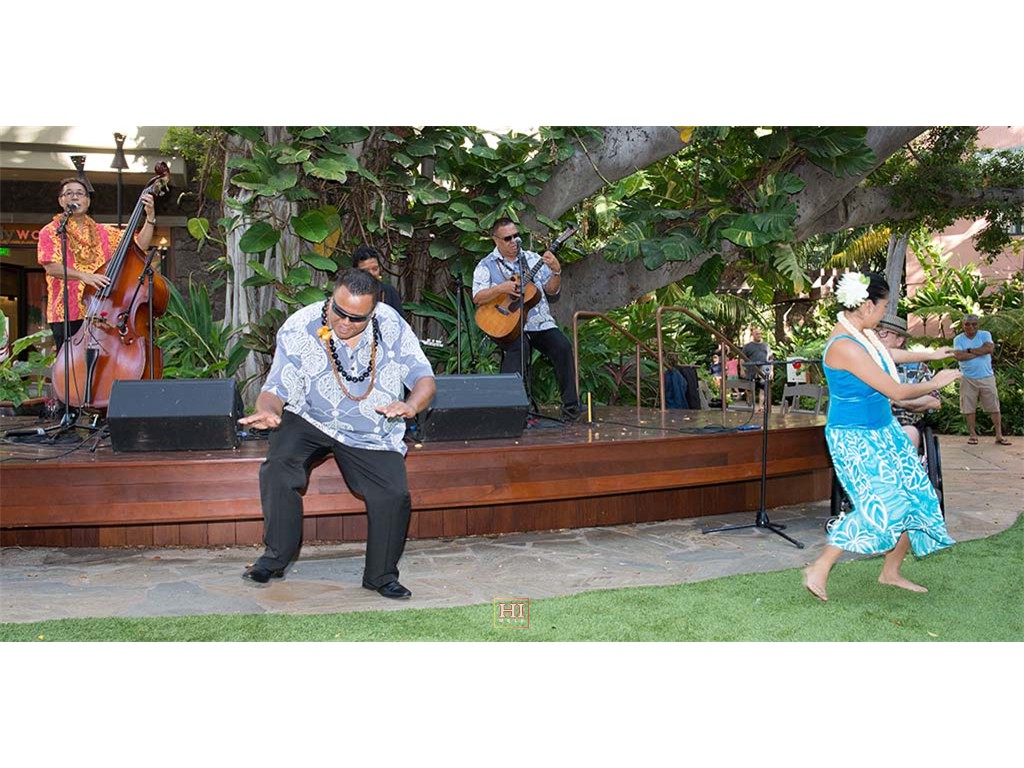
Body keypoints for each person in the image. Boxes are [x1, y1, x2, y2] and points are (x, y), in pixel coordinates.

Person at [238, 268, 436, 599]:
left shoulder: (391, 325)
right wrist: (269, 411)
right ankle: (274, 559)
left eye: (356, 318)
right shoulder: (300, 327)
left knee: (393, 494)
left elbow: (423, 377)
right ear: (331, 298)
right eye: (338, 311)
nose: (344, 323)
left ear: (373, 311)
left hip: (371, 423)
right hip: (310, 416)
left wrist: (411, 405)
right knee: (279, 467)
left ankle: (381, 575)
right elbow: (276, 387)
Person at [802, 272, 962, 602]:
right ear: (866, 306)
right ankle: (820, 566)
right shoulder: (844, 346)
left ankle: (890, 572)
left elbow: (887, 356)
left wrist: (930, 356)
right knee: (884, 505)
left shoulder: (862, 334)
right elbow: (896, 391)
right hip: (854, 439)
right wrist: (937, 381)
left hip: (883, 430)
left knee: (918, 496)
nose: (885, 312)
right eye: (884, 306)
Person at [472, 218, 580, 421]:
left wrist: (556, 271)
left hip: (539, 322)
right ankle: (510, 412)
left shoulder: (532, 259)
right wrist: (501, 288)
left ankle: (571, 409)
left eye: (516, 236)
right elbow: (477, 297)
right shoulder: (486, 265)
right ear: (496, 240)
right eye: (507, 238)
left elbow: (551, 290)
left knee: (562, 346)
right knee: (519, 347)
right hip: (506, 324)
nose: (514, 241)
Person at [36, 178, 157, 351]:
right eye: (69, 193)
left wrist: (150, 217)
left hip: (102, 311)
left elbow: (140, 246)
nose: (74, 197)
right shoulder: (51, 231)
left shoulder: (106, 232)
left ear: (88, 201)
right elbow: (51, 267)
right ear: (61, 201)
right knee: (71, 365)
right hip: (67, 313)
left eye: (80, 193)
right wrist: (85, 276)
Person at [875, 316, 954, 450]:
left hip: (904, 425)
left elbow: (934, 402)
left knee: (909, 433)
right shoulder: (866, 363)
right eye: (873, 332)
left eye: (883, 333)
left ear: (899, 340)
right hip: (870, 425)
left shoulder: (917, 368)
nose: (876, 337)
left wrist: (903, 403)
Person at [953, 314, 1011, 446]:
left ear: (978, 325)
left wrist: (968, 351)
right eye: (967, 324)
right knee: (969, 407)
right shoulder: (959, 339)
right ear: (963, 325)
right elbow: (958, 356)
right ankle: (973, 435)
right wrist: (980, 351)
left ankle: (999, 435)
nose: (971, 327)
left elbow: (989, 349)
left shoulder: (985, 334)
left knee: (994, 406)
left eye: (974, 324)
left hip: (986, 377)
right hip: (967, 377)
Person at [353, 245, 404, 317]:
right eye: (366, 271)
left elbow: (399, 321)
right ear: (356, 271)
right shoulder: (349, 294)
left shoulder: (389, 292)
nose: (372, 274)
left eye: (375, 269)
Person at [741, 327, 771, 410]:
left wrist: (771, 370)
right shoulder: (748, 346)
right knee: (750, 390)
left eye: (760, 334)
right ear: (753, 335)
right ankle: (750, 406)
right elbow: (742, 358)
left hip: (763, 371)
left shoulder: (766, 346)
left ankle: (760, 407)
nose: (759, 335)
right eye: (757, 334)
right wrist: (742, 369)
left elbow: (770, 359)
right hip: (751, 372)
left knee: (762, 389)